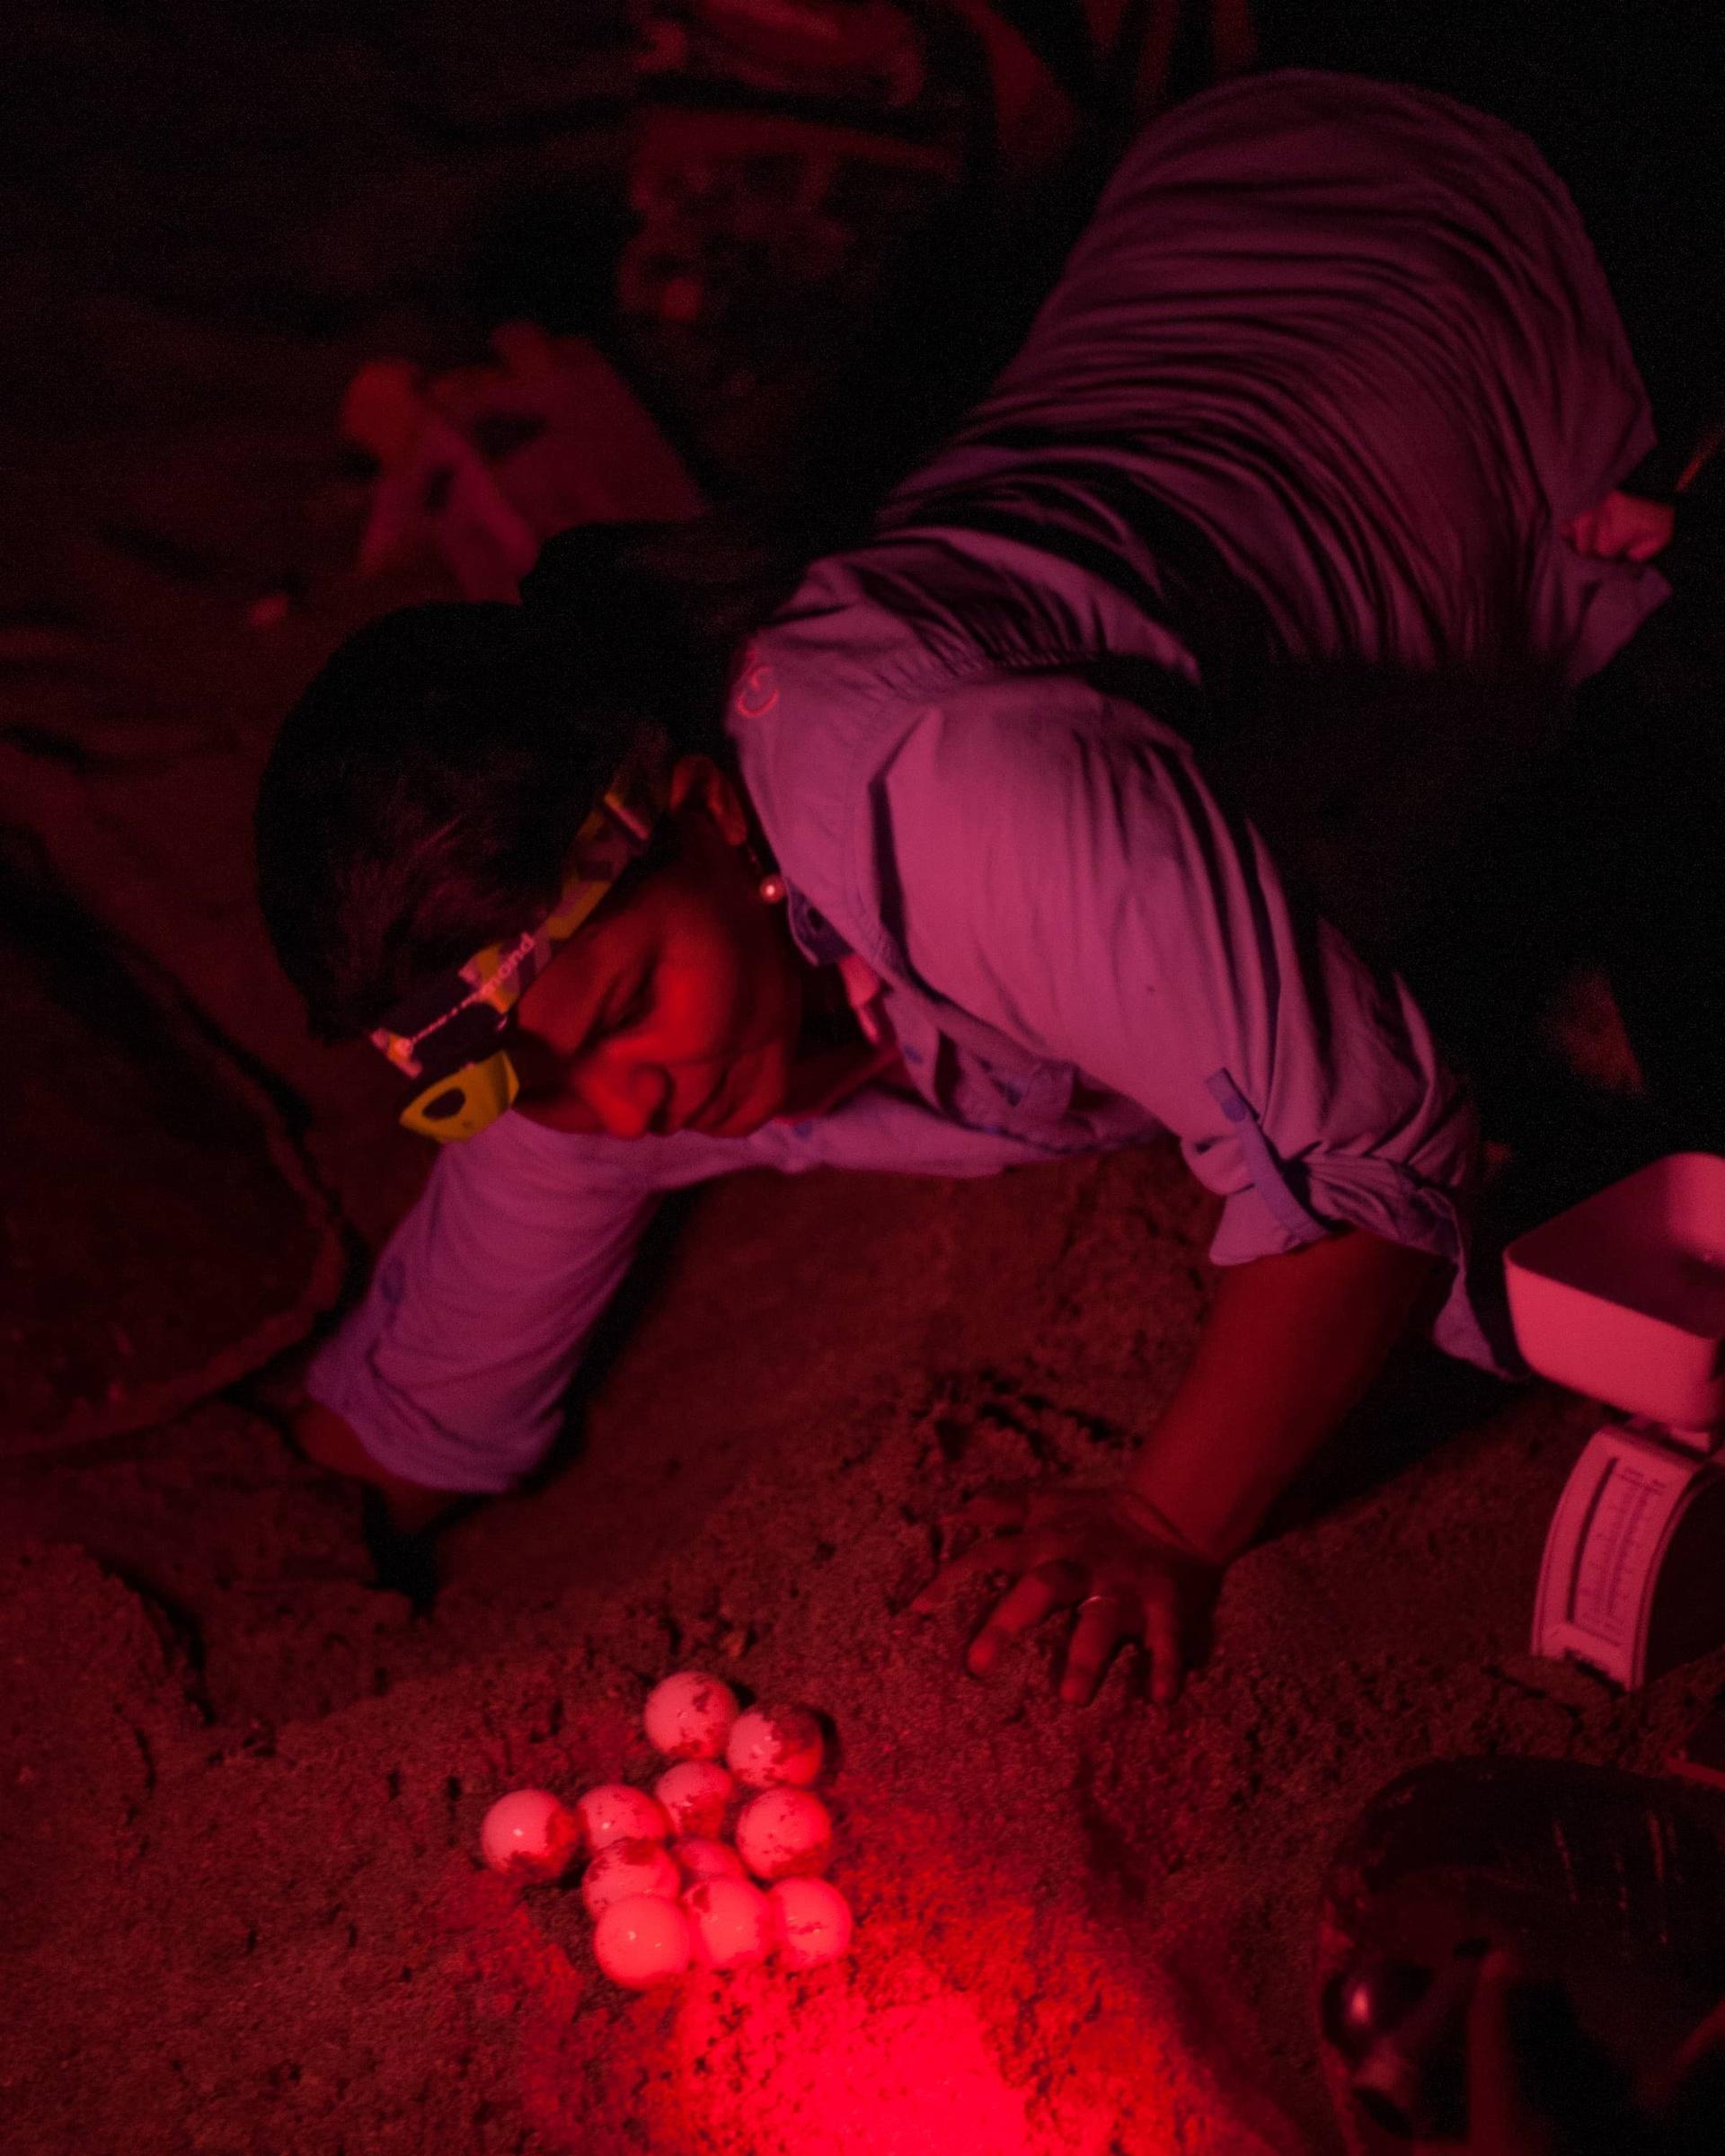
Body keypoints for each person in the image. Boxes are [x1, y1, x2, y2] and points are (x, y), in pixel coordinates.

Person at [255, 69, 1680, 1706]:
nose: (631, 1102)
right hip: (1224, 223)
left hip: (1519, 232)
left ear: (700, 806)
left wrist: (1165, 1521)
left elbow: (1370, 1156)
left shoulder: (934, 790)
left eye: (634, 1011)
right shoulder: (562, 1009)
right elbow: (404, 1416)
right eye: (548, 1078)